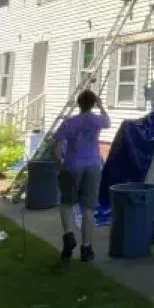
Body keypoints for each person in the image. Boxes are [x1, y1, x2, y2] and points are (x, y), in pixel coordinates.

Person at [53, 88, 111, 261]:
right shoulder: (97, 121)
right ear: (93, 104)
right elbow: (108, 121)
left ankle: (69, 235)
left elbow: (55, 149)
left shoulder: (69, 122)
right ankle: (86, 249)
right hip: (93, 165)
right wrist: (101, 106)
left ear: (78, 103)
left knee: (67, 203)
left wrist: (60, 165)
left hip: (72, 166)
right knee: (88, 209)